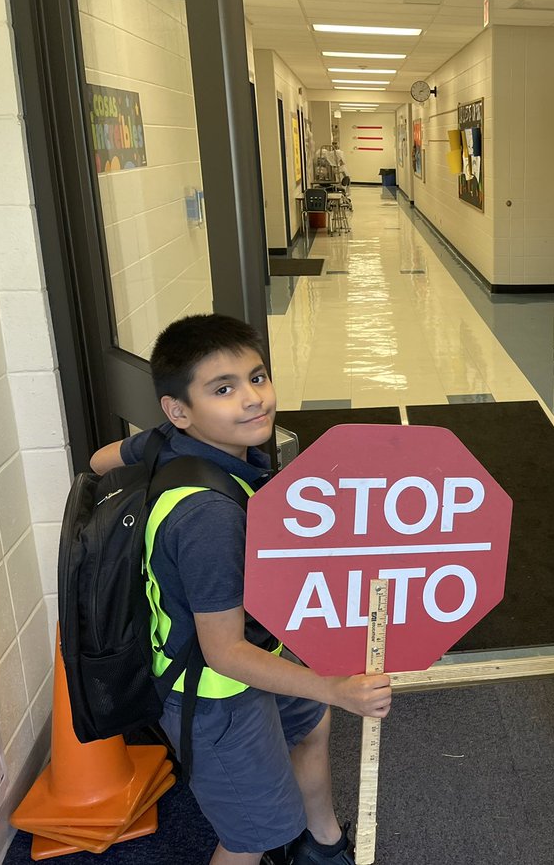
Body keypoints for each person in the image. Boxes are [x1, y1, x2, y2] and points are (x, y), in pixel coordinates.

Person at [90, 314, 391, 865]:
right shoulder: (208, 518)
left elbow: (100, 461)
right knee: (254, 832)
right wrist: (336, 688)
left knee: (309, 727)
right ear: (179, 410)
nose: (253, 399)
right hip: (215, 694)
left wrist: (157, 441)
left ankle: (321, 847)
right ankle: (289, 840)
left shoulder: (170, 443)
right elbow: (223, 653)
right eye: (223, 389)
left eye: (257, 377)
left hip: (258, 647)